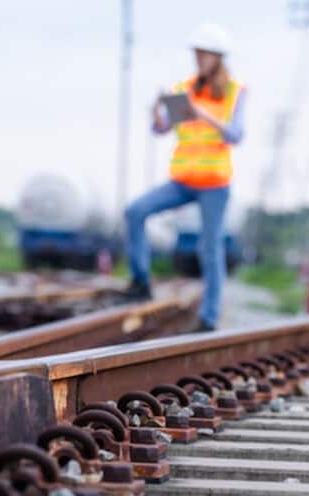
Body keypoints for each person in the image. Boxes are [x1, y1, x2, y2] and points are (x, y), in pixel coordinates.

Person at [123, 22, 246, 331]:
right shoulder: (185, 90)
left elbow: (236, 134)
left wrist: (203, 114)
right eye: (197, 53)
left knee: (210, 248)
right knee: (135, 211)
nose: (200, 59)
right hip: (182, 181)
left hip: (214, 185)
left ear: (218, 57)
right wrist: (156, 111)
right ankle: (140, 281)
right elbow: (162, 130)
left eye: (205, 54)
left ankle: (209, 318)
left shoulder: (234, 92)